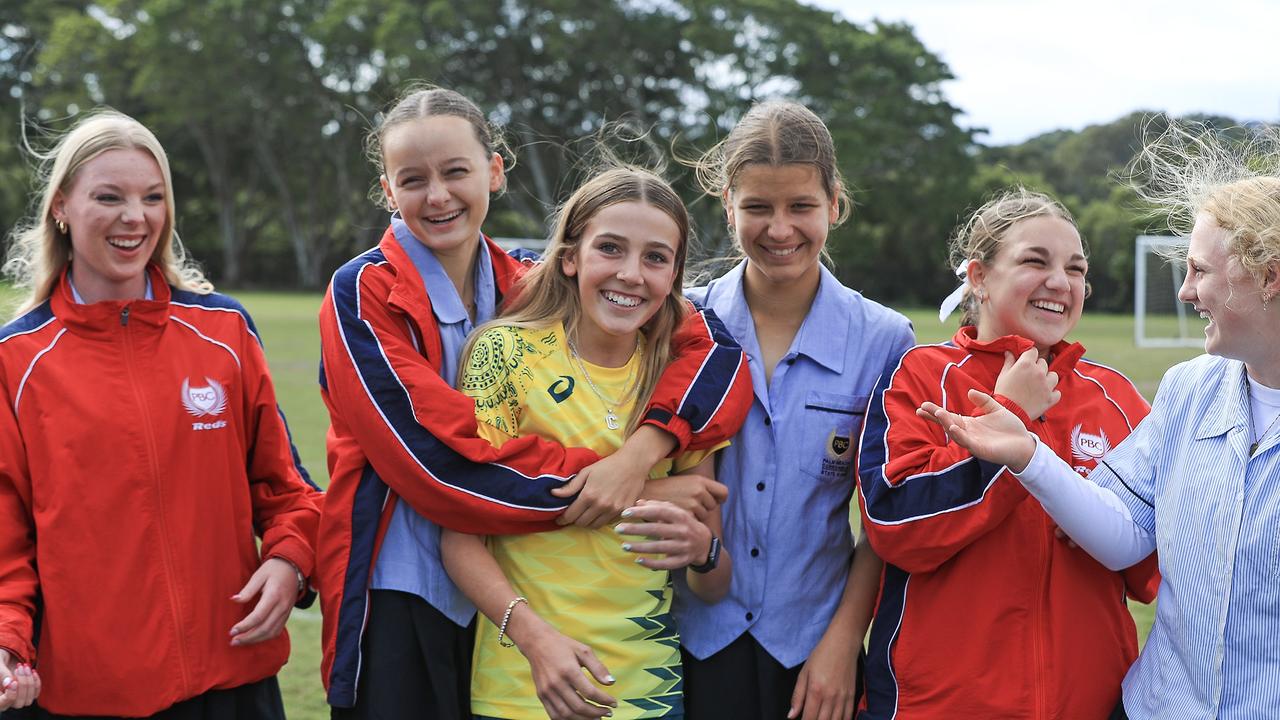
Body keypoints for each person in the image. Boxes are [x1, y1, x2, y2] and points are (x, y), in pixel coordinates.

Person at [316, 86, 751, 717]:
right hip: (401, 586)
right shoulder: (362, 290)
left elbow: (716, 356)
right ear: (388, 190)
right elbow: (438, 467)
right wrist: (637, 492)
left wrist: (640, 455)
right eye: (413, 179)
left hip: (510, 603)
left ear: (494, 171)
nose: (437, 195)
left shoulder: (526, 281)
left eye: (456, 171)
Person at [917, 125, 1280, 720]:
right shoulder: (1191, 388)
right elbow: (1129, 534)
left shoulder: (1117, 392)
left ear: (1268, 277)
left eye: (1199, 271)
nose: (1185, 292)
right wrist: (1029, 456)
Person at [0, 111, 321, 717]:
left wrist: (289, 562)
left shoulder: (224, 332)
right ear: (61, 207)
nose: (135, 216)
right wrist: (7, 642)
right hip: (88, 696)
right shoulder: (16, 361)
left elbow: (288, 492)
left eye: (152, 198)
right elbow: (4, 540)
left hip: (233, 681)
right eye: (109, 197)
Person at [441, 165, 732, 720]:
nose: (631, 274)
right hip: (522, 687)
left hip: (648, 692)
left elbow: (714, 583)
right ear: (571, 257)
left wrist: (704, 551)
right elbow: (459, 538)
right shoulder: (506, 354)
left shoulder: (680, 382)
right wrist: (535, 641)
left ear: (674, 274)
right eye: (610, 248)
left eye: (655, 257)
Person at [856, 188, 1159, 719]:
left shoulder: (1116, 398)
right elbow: (897, 524)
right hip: (938, 704)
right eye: (1034, 262)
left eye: (1076, 268)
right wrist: (1011, 419)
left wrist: (1096, 515)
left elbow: (1152, 569)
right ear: (979, 278)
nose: (1060, 283)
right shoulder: (922, 375)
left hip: (1088, 701)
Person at [671, 100, 915, 720]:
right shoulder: (680, 322)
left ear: (835, 203)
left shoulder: (884, 338)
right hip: (688, 638)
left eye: (800, 206)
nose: (780, 229)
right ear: (727, 205)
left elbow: (883, 520)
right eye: (757, 207)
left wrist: (840, 644)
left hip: (813, 649)